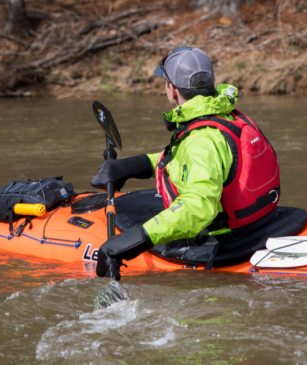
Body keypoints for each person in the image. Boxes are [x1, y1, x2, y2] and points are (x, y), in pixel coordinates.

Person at [91, 47, 280, 280]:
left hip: (226, 242)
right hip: (261, 224)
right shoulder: (226, 115)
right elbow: (193, 163)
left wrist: (129, 242)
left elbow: (196, 208)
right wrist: (133, 166)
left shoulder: (201, 139)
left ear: (172, 90)